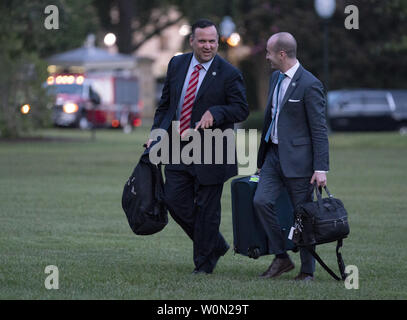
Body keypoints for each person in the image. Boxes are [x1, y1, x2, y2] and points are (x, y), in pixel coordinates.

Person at [145, 19, 249, 274]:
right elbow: (166, 105)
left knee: (207, 208)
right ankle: (214, 243)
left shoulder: (229, 73)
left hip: (212, 148)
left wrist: (217, 112)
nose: (208, 46)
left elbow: (241, 109)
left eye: (212, 41)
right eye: (202, 41)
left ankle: (204, 264)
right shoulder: (177, 64)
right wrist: (156, 134)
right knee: (173, 199)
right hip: (177, 145)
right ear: (191, 41)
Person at [253, 32, 329, 281]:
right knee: (260, 201)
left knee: (303, 216)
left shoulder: (310, 84)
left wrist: (321, 168)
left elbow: (319, 129)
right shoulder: (275, 78)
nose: (266, 56)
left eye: (269, 52)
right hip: (273, 157)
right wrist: (262, 160)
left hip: (300, 163)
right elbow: (271, 119)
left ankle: (307, 271)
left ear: (282, 54)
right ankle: (282, 257)